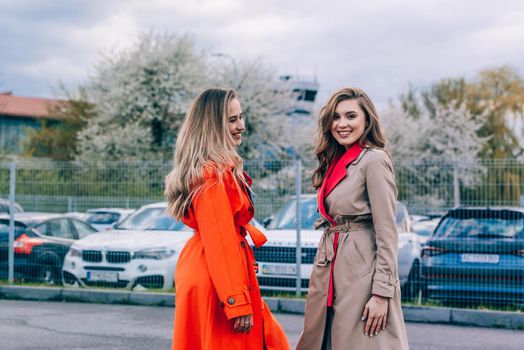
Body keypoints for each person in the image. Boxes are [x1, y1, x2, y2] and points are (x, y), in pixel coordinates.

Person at [165, 88, 290, 350]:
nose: (241, 126)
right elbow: (220, 241)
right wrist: (236, 301)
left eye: (241, 117)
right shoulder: (212, 175)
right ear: (212, 126)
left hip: (213, 273)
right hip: (216, 278)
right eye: (232, 120)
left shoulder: (215, 171)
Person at [296, 87, 409, 350]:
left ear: (367, 120)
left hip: (361, 271)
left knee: (360, 341)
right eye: (336, 117)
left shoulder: (374, 160)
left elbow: (387, 232)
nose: (342, 124)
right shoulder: (337, 160)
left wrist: (382, 293)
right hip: (332, 265)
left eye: (350, 116)